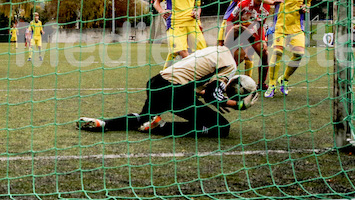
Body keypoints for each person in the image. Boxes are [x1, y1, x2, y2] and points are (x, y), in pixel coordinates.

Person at [77, 45, 258, 138]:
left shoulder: (214, 50)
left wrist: (206, 93)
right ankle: (163, 127)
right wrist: (239, 104)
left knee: (144, 117)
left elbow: (201, 87)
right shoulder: (231, 64)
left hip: (158, 82)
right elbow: (212, 95)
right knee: (222, 127)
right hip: (175, 90)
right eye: (247, 49)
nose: (247, 55)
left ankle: (104, 123)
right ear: (239, 47)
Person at [263, 0, 312, 98]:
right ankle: (272, 85)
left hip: (296, 27)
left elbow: (307, 3)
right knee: (277, 53)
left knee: (299, 55)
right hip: (280, 26)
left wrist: (305, 8)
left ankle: (283, 79)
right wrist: (273, 1)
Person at [217, 0, 260, 77]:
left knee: (249, 52)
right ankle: (220, 78)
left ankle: (248, 81)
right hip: (232, 18)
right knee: (223, 49)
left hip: (246, 20)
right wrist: (251, 0)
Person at [223, 0, 270, 91]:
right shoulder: (243, 4)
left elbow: (261, 24)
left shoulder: (266, 7)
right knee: (239, 57)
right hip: (240, 32)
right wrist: (230, 38)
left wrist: (263, 40)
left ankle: (261, 84)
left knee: (264, 53)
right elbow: (230, 20)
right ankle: (224, 81)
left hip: (255, 33)